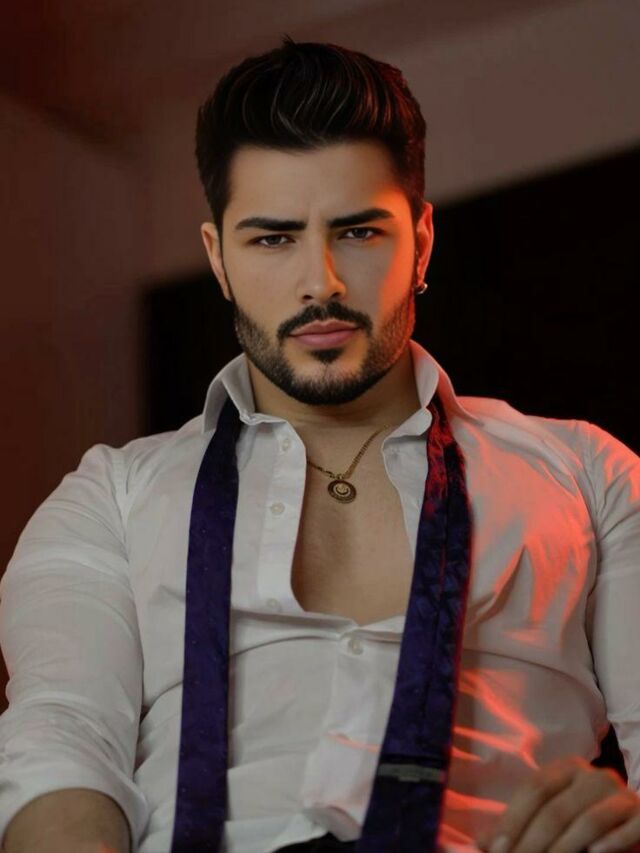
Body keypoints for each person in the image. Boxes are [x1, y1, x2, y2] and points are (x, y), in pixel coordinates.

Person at [1, 35, 639, 853]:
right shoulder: (108, 500)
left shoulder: (591, 476)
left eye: (359, 232)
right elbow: (61, 749)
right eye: (273, 238)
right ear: (218, 259)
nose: (321, 283)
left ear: (422, 241)